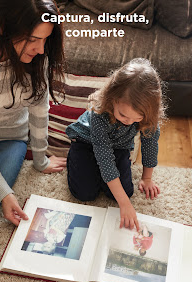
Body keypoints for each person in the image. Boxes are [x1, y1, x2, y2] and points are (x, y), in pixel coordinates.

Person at [66, 58, 166, 231]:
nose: (129, 122)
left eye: (137, 119)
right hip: (87, 142)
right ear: (112, 98)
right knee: (84, 193)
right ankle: (74, 158)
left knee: (124, 192)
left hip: (118, 146)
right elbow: (104, 158)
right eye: (123, 115)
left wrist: (147, 178)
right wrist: (125, 205)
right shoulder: (99, 112)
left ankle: (103, 178)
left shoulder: (148, 116)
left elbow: (150, 145)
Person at [0, 0, 67, 226]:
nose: (41, 49)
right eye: (33, 40)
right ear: (2, 27)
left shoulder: (37, 59)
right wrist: (5, 193)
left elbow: (39, 109)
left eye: (45, 39)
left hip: (9, 139)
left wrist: (41, 159)